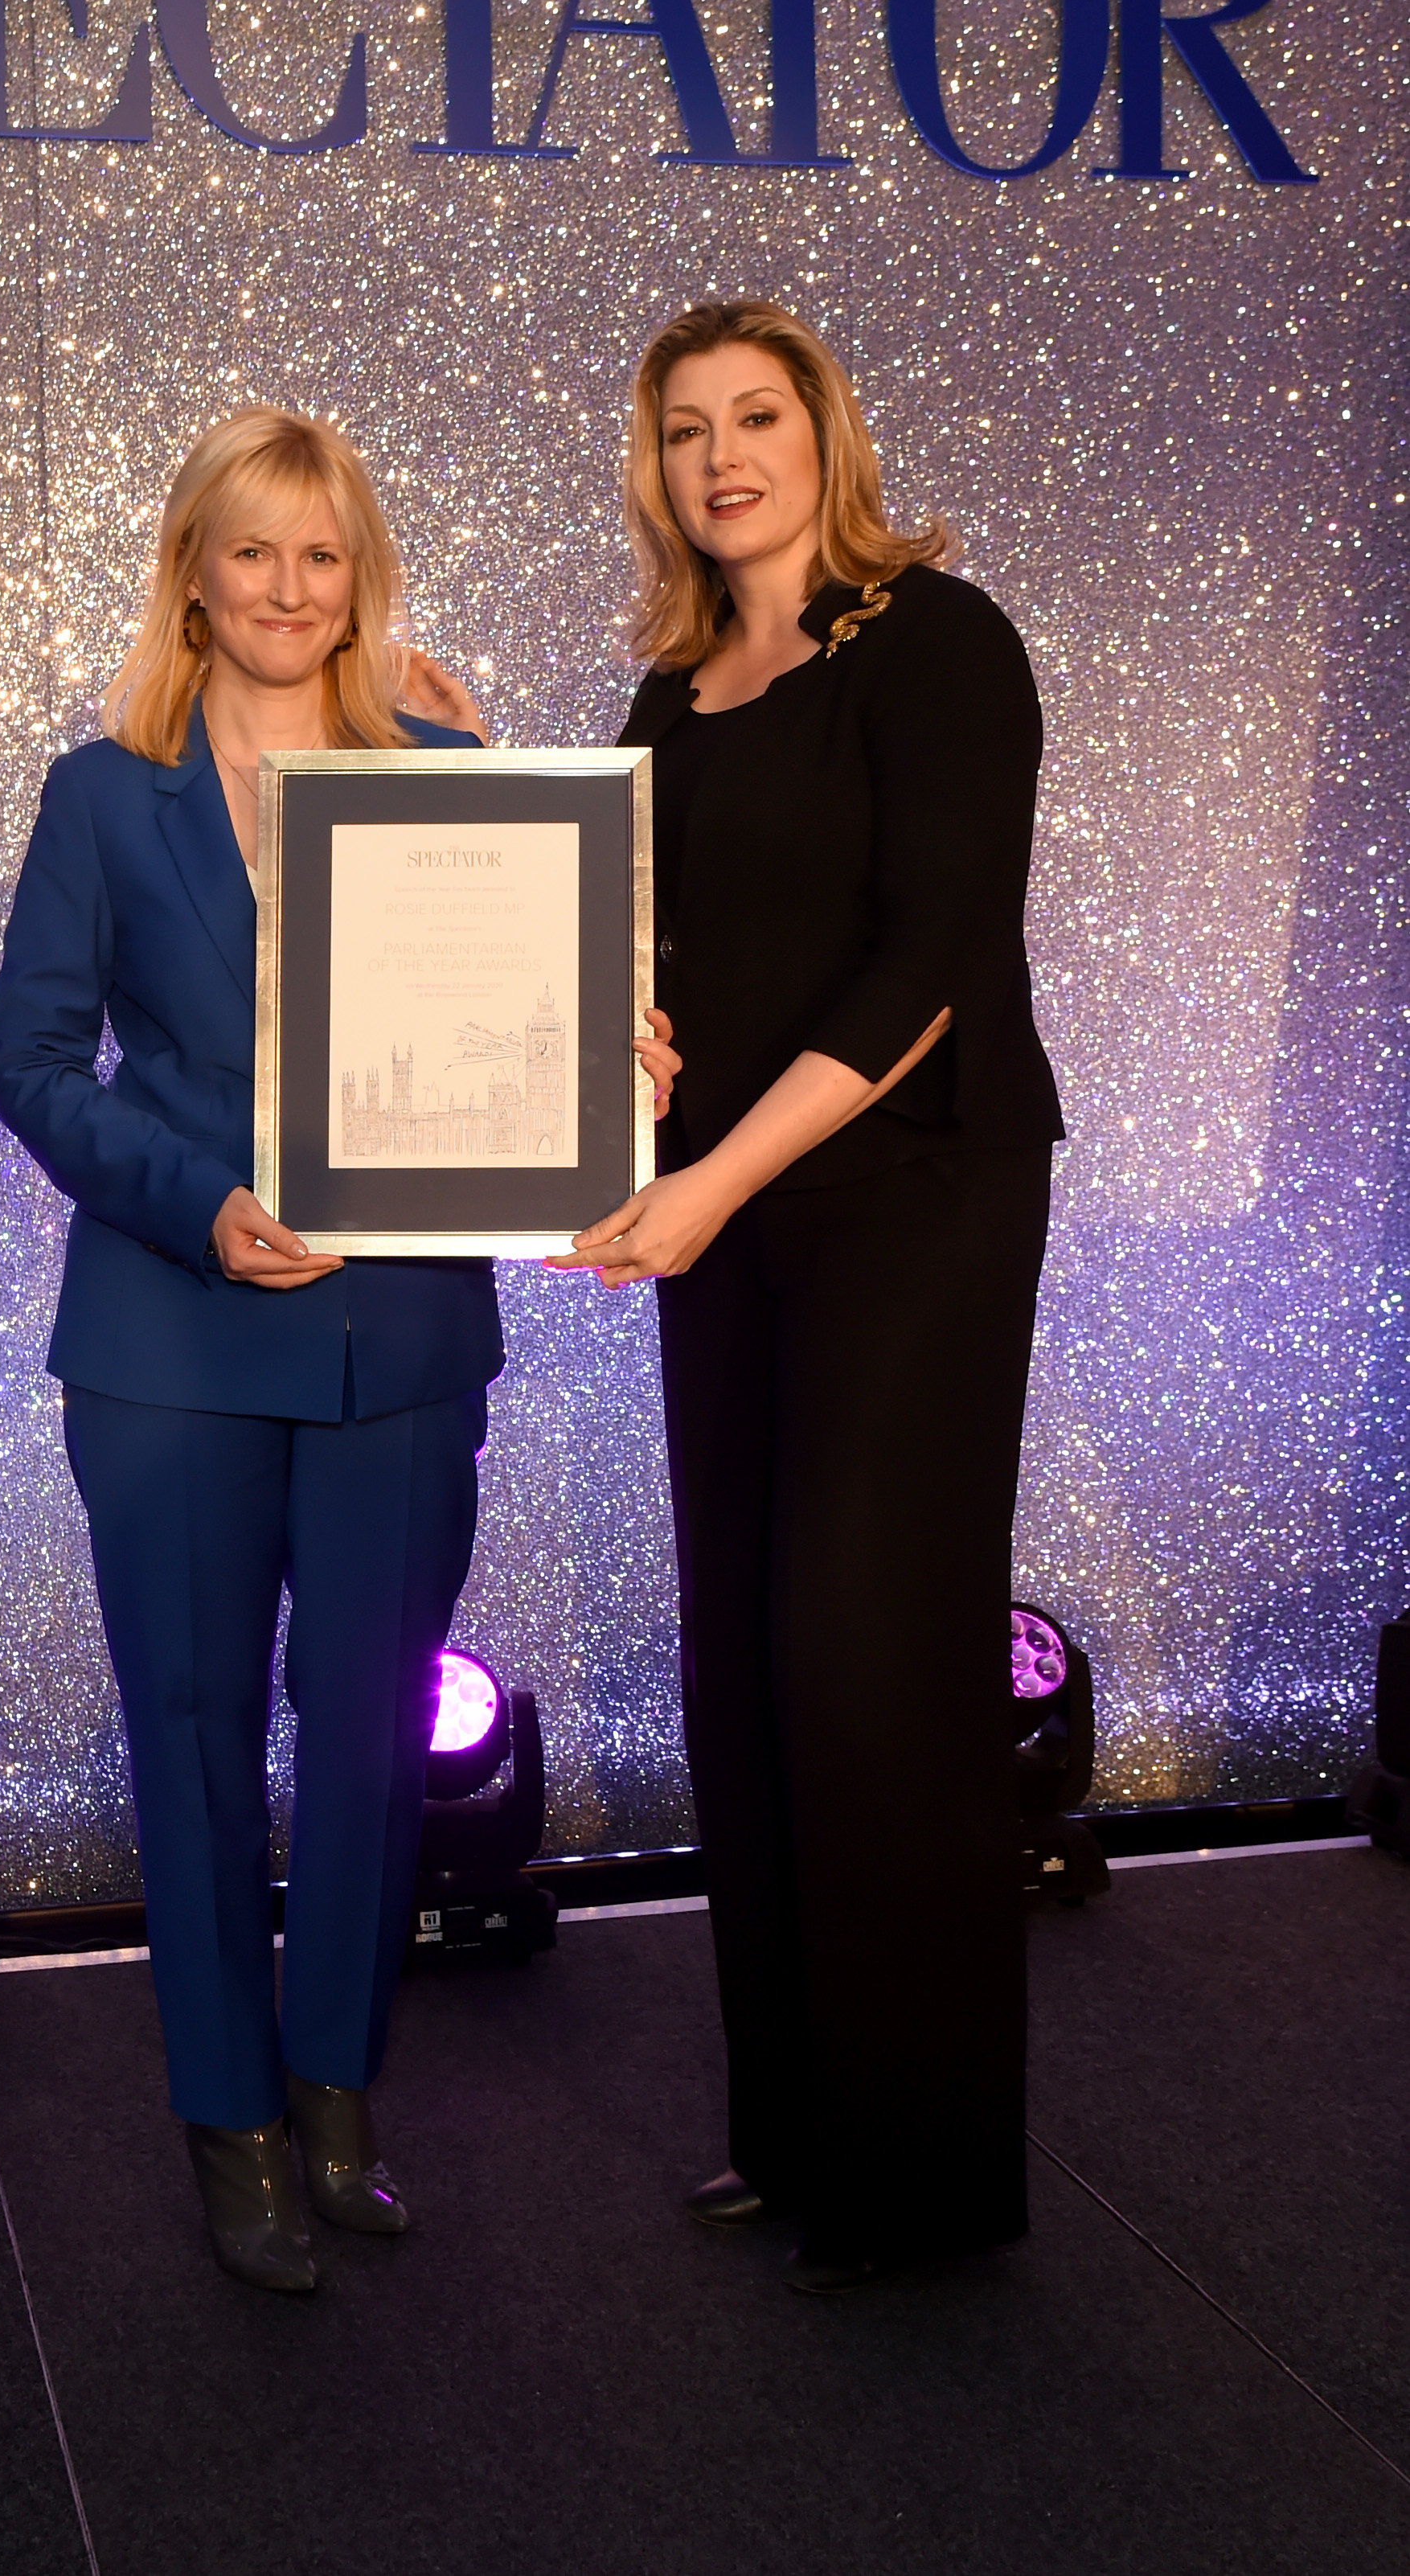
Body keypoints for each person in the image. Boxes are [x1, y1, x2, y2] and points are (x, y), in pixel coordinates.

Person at [548, 297, 1064, 2293]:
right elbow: (616, 942)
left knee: (872, 1669)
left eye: (757, 416)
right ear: (656, 466)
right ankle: (798, 2140)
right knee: (751, 1668)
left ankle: (923, 2181)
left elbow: (931, 960)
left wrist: (711, 1182)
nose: (723, 456)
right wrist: (634, 1040)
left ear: (824, 434)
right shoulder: (672, 687)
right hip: (729, 1214)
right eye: (685, 429)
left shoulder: (939, 640)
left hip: (909, 1203)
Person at [0, 407, 497, 2294]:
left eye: (324, 552)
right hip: (171, 1334)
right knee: (191, 1734)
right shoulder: (105, 789)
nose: (289, 587)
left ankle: (338, 2083)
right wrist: (199, 1203)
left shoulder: (448, 766)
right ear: (192, 569)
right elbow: (26, 1055)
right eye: (252, 549)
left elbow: (535, 1014)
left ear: (361, 574)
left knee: (368, 1733)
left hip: (404, 1328)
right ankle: (230, 2115)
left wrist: (616, 1058)